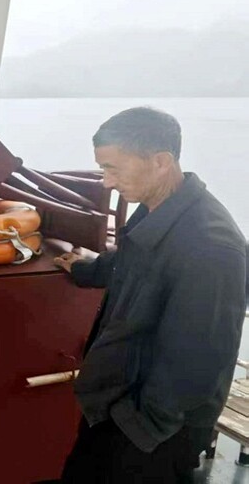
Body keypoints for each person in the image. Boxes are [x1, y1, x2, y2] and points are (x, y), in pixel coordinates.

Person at [54, 107, 246, 483]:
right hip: (117, 399)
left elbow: (201, 359)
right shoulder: (155, 210)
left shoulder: (212, 246)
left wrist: (140, 425)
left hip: (153, 428)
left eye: (113, 169)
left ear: (160, 162)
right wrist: (84, 269)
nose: (106, 183)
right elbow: (129, 258)